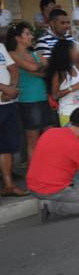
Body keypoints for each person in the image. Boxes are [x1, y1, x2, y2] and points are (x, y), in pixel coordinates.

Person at [6, 23, 56, 164]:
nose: (31, 36)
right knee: (33, 140)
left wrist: (37, 71)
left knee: (50, 137)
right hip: (28, 101)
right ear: (18, 38)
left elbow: (50, 68)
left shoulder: (34, 53)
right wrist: (40, 66)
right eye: (27, 34)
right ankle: (35, 174)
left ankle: (50, 169)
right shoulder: (12, 54)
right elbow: (33, 66)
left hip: (44, 98)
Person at [0, 39, 27, 197]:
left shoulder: (1, 46)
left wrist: (13, 88)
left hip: (7, 104)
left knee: (6, 147)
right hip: (6, 95)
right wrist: (5, 88)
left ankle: (9, 185)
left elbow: (13, 69)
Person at [47, 40, 79, 126]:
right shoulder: (59, 72)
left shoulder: (77, 67)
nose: (76, 53)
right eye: (73, 50)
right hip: (68, 113)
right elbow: (55, 95)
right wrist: (73, 87)